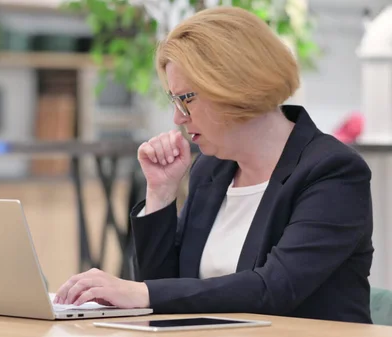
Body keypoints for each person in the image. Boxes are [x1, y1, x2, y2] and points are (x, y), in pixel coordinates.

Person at [54, 6, 374, 324]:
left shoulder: (333, 172)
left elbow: (274, 289)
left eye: (186, 99)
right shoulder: (212, 169)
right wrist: (161, 194)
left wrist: (140, 292)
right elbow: (168, 290)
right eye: (174, 101)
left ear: (234, 86)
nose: (178, 117)